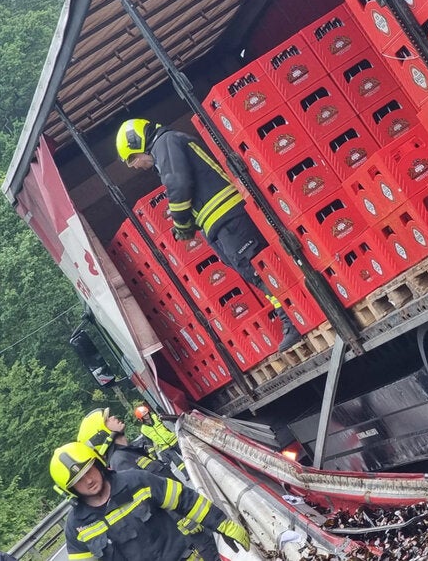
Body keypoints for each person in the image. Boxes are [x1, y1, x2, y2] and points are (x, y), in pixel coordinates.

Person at [116, 119, 302, 354]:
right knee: (253, 272)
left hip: (228, 216)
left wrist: (182, 223)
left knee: (258, 269)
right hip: (218, 223)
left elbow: (179, 184)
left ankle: (292, 316)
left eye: (132, 158)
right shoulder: (168, 146)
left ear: (138, 142)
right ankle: (292, 313)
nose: (135, 166)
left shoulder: (166, 143)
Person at [50, 441, 249, 560]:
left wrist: (222, 523)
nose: (89, 480)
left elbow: (185, 500)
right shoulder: (77, 527)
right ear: (69, 490)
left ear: (98, 463)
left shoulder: (137, 481)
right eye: (78, 481)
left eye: (89, 470)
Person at [77, 408, 218, 559]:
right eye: (107, 420)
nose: (113, 417)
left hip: (187, 516)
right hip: (185, 529)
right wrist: (183, 519)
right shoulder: (120, 461)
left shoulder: (129, 453)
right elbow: (146, 502)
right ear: (101, 433)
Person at [134, 403, 188, 479]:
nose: (147, 416)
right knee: (177, 461)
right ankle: (187, 474)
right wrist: (153, 457)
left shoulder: (156, 417)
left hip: (173, 440)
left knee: (186, 453)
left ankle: (197, 465)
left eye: (147, 414)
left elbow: (167, 420)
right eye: (144, 416)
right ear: (141, 418)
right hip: (164, 447)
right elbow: (149, 443)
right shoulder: (143, 430)